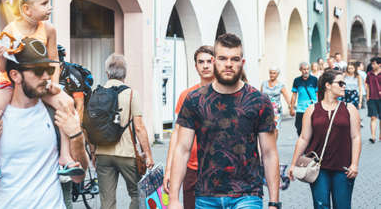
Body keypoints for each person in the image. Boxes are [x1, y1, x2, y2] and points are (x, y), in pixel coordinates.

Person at [0, 38, 89, 208]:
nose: (46, 76)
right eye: (38, 71)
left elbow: (79, 177)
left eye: (47, 69)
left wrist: (77, 136)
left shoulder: (55, 110)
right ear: (15, 75)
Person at [169, 33, 281, 209]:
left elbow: (269, 153)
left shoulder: (259, 101)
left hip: (247, 194)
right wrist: (174, 199)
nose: (228, 64)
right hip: (207, 195)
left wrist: (274, 202)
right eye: (222, 58)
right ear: (214, 61)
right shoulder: (195, 100)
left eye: (234, 59)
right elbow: (182, 149)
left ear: (242, 63)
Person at [0, 0, 81, 184]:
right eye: (44, 3)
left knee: (67, 104)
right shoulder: (10, 30)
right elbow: (2, 68)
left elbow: (54, 59)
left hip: (40, 80)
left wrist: (54, 84)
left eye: (49, 3)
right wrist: (0, 55)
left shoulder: (49, 29)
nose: (49, 7)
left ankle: (65, 156)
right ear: (27, 9)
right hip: (10, 81)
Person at [288, 70, 361, 209]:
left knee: (343, 206)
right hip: (318, 168)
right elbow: (303, 138)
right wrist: (293, 164)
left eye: (344, 83)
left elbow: (356, 137)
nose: (344, 86)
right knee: (321, 206)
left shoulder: (349, 109)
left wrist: (355, 164)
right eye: (340, 83)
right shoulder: (312, 110)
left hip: (343, 168)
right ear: (327, 85)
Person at [93, 54, 154, 209]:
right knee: (136, 194)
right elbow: (139, 127)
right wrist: (148, 154)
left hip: (102, 154)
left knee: (107, 201)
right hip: (126, 154)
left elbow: (90, 127)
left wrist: (94, 152)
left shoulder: (96, 93)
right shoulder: (131, 94)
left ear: (107, 73)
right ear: (125, 74)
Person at [163, 45, 214, 209]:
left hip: (218, 168)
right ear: (196, 66)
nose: (205, 66)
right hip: (191, 167)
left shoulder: (225, 93)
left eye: (209, 61)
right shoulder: (187, 96)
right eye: (201, 62)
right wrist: (169, 169)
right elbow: (176, 134)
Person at [57, 44, 94, 209]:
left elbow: (80, 105)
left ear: (61, 61)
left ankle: (78, 180)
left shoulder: (72, 74)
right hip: (59, 118)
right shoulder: (49, 74)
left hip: (75, 117)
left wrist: (76, 128)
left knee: (76, 149)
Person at [261, 67, 290, 140]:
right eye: (270, 73)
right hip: (266, 109)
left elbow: (286, 97)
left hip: (276, 110)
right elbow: (260, 96)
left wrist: (291, 107)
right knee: (266, 129)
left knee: (275, 128)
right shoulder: (264, 84)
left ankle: (273, 145)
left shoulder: (280, 85)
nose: (272, 75)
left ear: (277, 74)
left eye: (274, 73)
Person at [290, 62, 318, 136]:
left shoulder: (314, 79)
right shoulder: (297, 80)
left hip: (312, 108)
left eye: (308, 69)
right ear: (300, 70)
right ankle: (302, 141)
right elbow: (294, 95)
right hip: (300, 109)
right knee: (299, 127)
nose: (306, 71)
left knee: (313, 128)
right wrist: (292, 108)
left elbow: (318, 94)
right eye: (304, 69)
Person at [366, 57, 381, 143]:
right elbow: (367, 85)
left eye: (374, 63)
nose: (372, 65)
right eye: (371, 64)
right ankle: (373, 136)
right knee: (373, 117)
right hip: (372, 98)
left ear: (379, 64)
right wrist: (367, 96)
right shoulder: (369, 74)